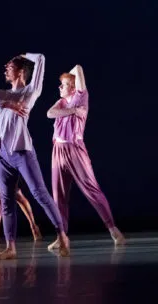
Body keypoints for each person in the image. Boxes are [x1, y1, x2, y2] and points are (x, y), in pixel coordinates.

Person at [0, 53, 70, 259]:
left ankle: (62, 236)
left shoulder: (30, 91)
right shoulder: (2, 95)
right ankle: (11, 247)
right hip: (2, 156)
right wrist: (7, 104)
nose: (5, 69)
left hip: (22, 152)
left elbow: (42, 59)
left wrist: (22, 56)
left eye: (9, 66)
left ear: (20, 71)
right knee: (6, 201)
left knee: (39, 194)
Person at [47, 65, 126, 249]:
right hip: (57, 150)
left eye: (64, 85)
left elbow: (78, 68)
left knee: (91, 189)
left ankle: (113, 229)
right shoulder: (62, 103)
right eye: (60, 84)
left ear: (73, 88)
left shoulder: (80, 97)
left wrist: (72, 80)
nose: (60, 87)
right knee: (58, 196)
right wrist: (73, 110)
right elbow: (49, 113)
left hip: (75, 149)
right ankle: (62, 236)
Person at [0, 120, 42, 243]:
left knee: (17, 195)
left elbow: (8, 139)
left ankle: (33, 225)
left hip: (5, 160)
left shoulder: (11, 121)